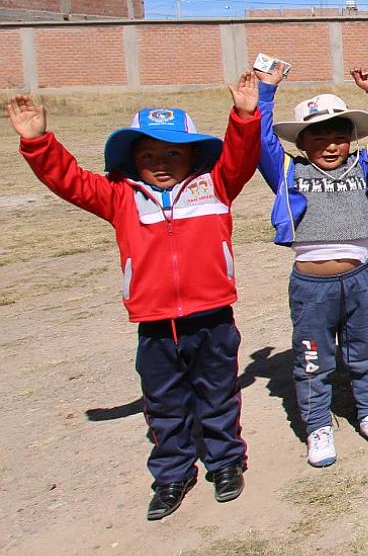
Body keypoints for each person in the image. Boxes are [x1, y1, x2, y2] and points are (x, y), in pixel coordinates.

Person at [8, 77, 261, 521]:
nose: (160, 164)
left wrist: (242, 116)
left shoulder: (215, 187)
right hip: (156, 324)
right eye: (148, 156)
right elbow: (71, 182)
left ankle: (225, 463)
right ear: (132, 160)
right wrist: (38, 142)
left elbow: (241, 156)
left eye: (172, 154)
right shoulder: (120, 198)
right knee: (163, 403)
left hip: (213, 317)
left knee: (218, 395)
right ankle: (172, 474)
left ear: (192, 156)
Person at [256, 66, 368, 467]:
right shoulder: (287, 171)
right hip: (311, 288)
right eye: (319, 137)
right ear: (301, 142)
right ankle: (317, 425)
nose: (331, 146)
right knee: (313, 357)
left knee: (364, 350)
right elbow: (263, 141)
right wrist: (266, 92)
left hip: (359, 280)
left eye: (339, 136)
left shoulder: (363, 165)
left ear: (351, 140)